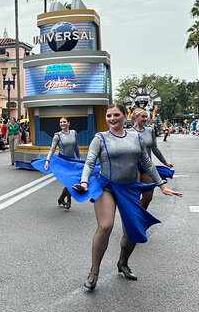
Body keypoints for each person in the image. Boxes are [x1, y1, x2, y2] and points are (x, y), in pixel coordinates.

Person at [74, 104, 182, 291]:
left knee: (132, 230)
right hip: (106, 186)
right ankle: (94, 272)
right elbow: (90, 161)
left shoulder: (136, 138)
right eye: (109, 115)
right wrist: (84, 182)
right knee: (106, 225)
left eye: (116, 114)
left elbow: (147, 163)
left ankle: (122, 263)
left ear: (125, 116)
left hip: (130, 188)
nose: (112, 118)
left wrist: (162, 186)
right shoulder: (100, 138)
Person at [130, 108, 174, 210]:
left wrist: (165, 162)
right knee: (135, 196)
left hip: (147, 166)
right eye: (143, 117)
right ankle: (134, 220)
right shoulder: (128, 132)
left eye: (146, 116)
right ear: (136, 118)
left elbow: (154, 148)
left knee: (148, 197)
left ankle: (139, 215)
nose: (146, 119)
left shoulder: (150, 130)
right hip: (133, 167)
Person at [36, 116, 79, 209]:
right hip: (62, 161)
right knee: (69, 181)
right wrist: (47, 161)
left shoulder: (74, 133)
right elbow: (52, 149)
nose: (62, 124)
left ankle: (61, 198)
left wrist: (78, 158)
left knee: (72, 180)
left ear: (69, 123)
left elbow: (75, 146)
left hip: (72, 160)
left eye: (64, 122)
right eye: (60, 122)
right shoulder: (57, 135)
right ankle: (69, 201)